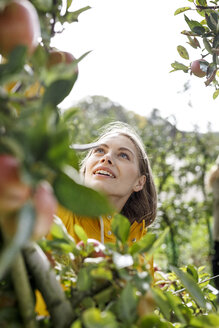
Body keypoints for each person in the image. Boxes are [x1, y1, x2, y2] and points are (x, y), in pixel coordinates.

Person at [36, 121, 157, 314]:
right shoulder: (52, 206)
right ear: (85, 169)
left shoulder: (139, 248)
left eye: (123, 155)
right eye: (99, 151)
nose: (107, 158)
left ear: (139, 182)